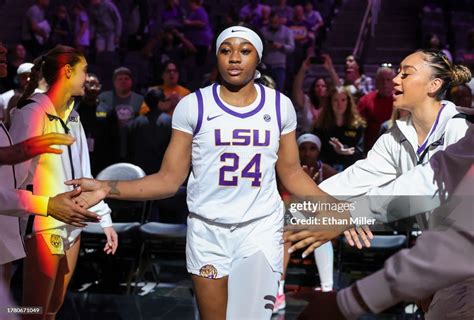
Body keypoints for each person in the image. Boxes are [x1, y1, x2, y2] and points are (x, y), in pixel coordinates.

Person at [66, 25, 346, 320]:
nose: (234, 58)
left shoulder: (279, 106)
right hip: (206, 229)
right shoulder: (194, 105)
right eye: (226, 50)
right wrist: (104, 186)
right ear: (216, 57)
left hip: (259, 228)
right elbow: (168, 180)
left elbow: (291, 172)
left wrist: (333, 208)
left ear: (258, 58)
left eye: (244, 51)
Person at [293, 121, 474, 319]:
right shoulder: (396, 136)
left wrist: (346, 303)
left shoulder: (458, 126)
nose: (392, 87)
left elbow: (459, 236)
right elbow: (359, 179)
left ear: (434, 87)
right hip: (447, 271)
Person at [9, 45, 118, 320]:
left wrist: (104, 218)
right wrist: (44, 206)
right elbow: (12, 180)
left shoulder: (73, 115)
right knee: (33, 310)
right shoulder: (31, 114)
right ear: (68, 72)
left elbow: (85, 174)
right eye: (83, 71)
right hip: (45, 222)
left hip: (74, 223)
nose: (87, 77)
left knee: (52, 309)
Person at [274, 133, 338, 313]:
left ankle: (327, 289)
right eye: (303, 148)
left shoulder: (327, 171)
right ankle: (278, 292)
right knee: (284, 231)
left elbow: (334, 203)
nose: (307, 152)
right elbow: (285, 202)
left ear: (318, 151)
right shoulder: (287, 170)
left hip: (317, 218)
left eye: (312, 148)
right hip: (291, 215)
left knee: (321, 228)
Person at [314, 86, 366, 171]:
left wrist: (344, 151)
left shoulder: (357, 126)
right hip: (327, 172)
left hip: (350, 171)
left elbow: (360, 153)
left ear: (348, 102)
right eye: (335, 100)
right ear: (330, 102)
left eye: (343, 100)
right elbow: (317, 153)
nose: (339, 104)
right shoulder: (321, 126)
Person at [357, 66, 395, 151]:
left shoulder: (402, 101)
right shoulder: (365, 100)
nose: (385, 83)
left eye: (388, 79)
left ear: (394, 81)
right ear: (376, 81)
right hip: (371, 150)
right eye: (382, 79)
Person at [293, 55, 328, 134]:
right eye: (317, 86)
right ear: (313, 89)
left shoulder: (331, 103)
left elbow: (339, 88)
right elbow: (297, 89)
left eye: (323, 86)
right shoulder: (306, 102)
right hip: (307, 139)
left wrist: (331, 69)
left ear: (327, 89)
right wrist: (303, 69)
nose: (320, 88)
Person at [261, 11, 295, 92]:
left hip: (280, 66)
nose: (274, 24)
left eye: (275, 22)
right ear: (269, 21)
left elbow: (292, 47)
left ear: (279, 20)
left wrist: (281, 46)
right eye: (272, 22)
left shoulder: (287, 31)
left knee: (279, 91)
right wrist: (266, 46)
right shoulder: (263, 31)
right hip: (266, 66)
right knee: (265, 91)